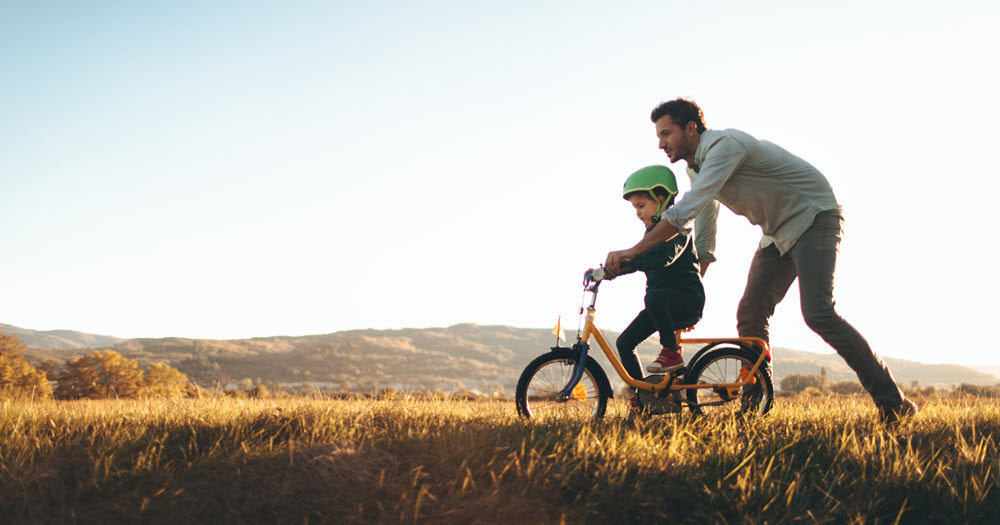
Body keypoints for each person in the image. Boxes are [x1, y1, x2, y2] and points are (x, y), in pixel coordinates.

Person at [603, 97, 917, 423]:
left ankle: (893, 403)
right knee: (750, 314)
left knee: (818, 312)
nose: (660, 143)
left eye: (666, 133)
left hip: (814, 216)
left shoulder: (725, 147)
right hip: (776, 234)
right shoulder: (696, 168)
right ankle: (755, 407)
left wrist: (632, 251)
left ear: (691, 128)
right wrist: (694, 281)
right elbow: (705, 219)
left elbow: (685, 210)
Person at [591, 165, 705, 391]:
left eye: (641, 206)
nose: (637, 213)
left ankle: (671, 352)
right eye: (635, 208)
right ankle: (642, 397)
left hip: (686, 299)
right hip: (661, 303)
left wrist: (630, 258)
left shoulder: (678, 228)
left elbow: (663, 258)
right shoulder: (650, 234)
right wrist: (608, 271)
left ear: (661, 199)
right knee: (624, 343)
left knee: (653, 297)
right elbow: (641, 262)